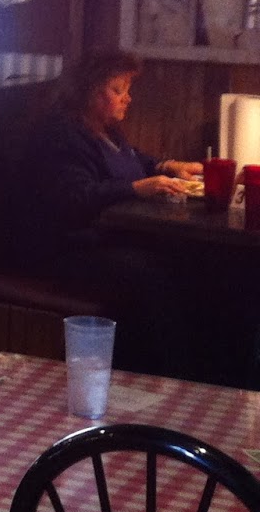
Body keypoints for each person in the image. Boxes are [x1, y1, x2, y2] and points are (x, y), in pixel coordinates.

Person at [19, 50, 201, 373]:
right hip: (63, 249)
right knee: (150, 274)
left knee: (185, 261)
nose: (127, 98)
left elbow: (132, 159)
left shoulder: (104, 129)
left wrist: (167, 166)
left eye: (127, 90)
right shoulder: (61, 134)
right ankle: (163, 373)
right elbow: (75, 198)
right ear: (88, 90)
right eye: (117, 90)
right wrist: (136, 188)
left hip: (100, 240)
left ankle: (188, 369)